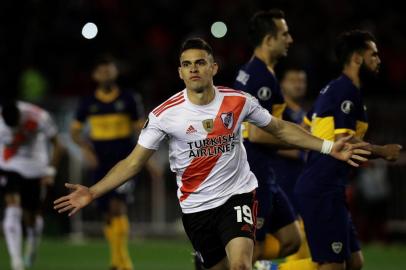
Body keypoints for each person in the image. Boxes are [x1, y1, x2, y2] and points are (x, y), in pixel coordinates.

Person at [55, 37, 369, 270]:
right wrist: (93, 192)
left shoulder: (238, 101)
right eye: (188, 64)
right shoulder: (165, 114)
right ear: (180, 72)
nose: (194, 69)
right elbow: (134, 162)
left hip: (238, 195)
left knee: (242, 266)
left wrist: (328, 146)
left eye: (200, 62)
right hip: (196, 208)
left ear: (213, 68)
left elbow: (279, 128)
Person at [294, 30, 402, 270]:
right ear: (357, 58)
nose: (378, 60)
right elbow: (346, 141)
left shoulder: (333, 89)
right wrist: (383, 151)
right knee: (333, 265)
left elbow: (306, 128)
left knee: (354, 262)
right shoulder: (346, 91)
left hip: (329, 186)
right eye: (373, 55)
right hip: (322, 188)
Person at [234, 10, 312, 269]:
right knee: (252, 248)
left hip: (265, 173)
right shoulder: (261, 77)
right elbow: (257, 133)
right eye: (284, 34)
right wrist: (302, 140)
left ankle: (222, 260)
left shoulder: (250, 71)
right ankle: (219, 261)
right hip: (254, 175)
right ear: (269, 40)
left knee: (291, 239)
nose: (289, 39)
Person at [70, 57, 145, 270]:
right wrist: (86, 149)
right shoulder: (87, 102)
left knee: (117, 207)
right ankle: (116, 261)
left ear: (115, 72)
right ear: (95, 76)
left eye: (108, 70)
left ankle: (123, 262)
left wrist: (143, 157)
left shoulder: (129, 98)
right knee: (106, 213)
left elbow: (141, 128)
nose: (105, 74)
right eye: (101, 71)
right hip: (100, 162)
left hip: (123, 162)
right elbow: (74, 132)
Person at [0, 98, 62, 270]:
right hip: (9, 165)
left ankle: (32, 245)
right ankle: (16, 261)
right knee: (12, 207)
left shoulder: (38, 117)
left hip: (35, 168)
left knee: (31, 218)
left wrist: (51, 171)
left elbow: (58, 144)